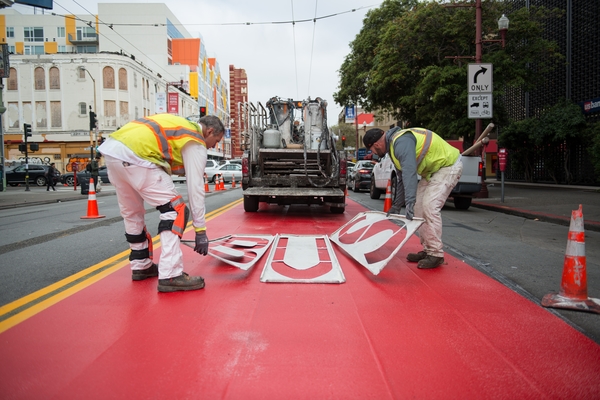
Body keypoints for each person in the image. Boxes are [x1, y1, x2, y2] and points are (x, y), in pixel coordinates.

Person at [98, 114, 225, 292]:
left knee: (132, 213)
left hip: (112, 154)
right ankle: (171, 274)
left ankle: (141, 265)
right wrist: (200, 230)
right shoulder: (194, 138)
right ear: (209, 131)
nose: (214, 145)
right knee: (175, 210)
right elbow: (195, 187)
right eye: (216, 140)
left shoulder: (176, 125)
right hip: (137, 157)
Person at [363, 127, 463, 269]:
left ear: (376, 144)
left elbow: (409, 172)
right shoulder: (393, 149)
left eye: (371, 150)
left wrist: (409, 202)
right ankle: (428, 250)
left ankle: (435, 254)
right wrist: (397, 205)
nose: (372, 153)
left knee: (429, 206)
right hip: (432, 171)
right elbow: (402, 179)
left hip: (447, 166)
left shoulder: (401, 142)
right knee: (419, 209)